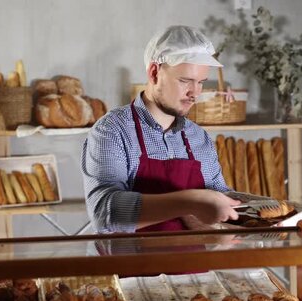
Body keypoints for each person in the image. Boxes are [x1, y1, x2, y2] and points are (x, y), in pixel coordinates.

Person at [81, 25, 240, 243]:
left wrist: (256, 215)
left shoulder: (198, 138)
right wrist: (191, 201)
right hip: (129, 274)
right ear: (154, 73)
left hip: (193, 274)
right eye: (185, 81)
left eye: (201, 82)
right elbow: (105, 214)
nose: (195, 93)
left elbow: (221, 202)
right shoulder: (112, 131)